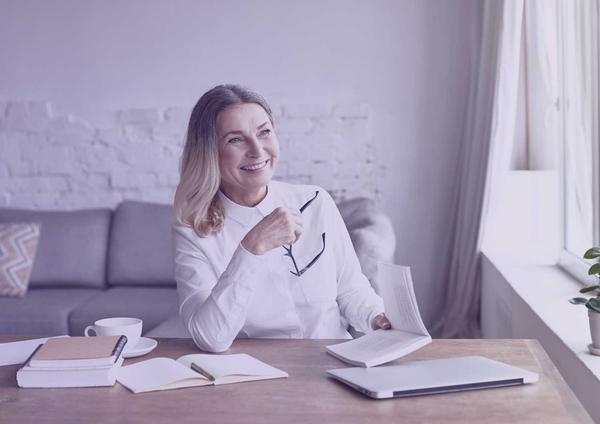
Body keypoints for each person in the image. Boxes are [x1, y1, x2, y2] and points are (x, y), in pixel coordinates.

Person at [173, 84, 391, 353]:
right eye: (235, 139)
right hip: (261, 375)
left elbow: (350, 289)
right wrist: (250, 249)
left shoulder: (315, 201)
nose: (257, 150)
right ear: (209, 152)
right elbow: (210, 338)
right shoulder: (194, 232)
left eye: (264, 132)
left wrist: (377, 317)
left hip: (337, 362)